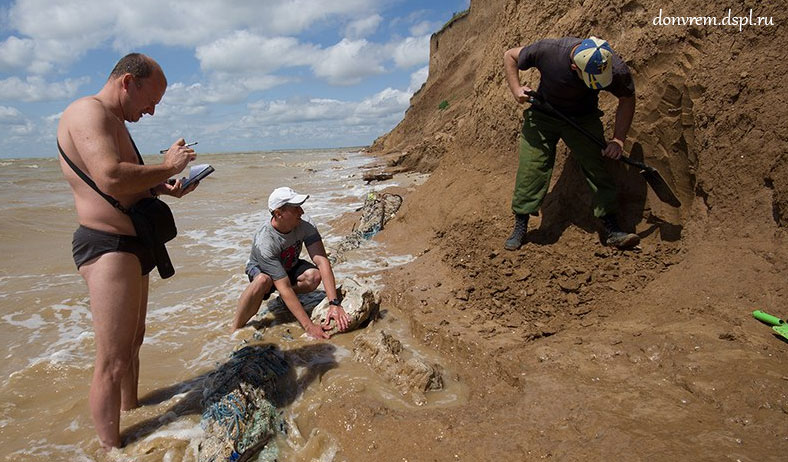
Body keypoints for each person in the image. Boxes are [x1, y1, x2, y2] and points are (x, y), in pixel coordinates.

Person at [56, 53, 197, 449]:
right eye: (150, 100)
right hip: (107, 245)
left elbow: (128, 187)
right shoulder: (87, 111)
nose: (151, 112)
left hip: (133, 242)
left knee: (134, 339)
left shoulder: (115, 120)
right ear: (128, 83)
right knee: (112, 360)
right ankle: (112, 451)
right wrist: (168, 166)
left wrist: (162, 187)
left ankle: (133, 413)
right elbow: (110, 176)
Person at [502, 36, 641, 250]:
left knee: (597, 167)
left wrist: (618, 140)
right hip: (543, 114)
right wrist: (516, 89)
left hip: (583, 118)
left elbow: (627, 98)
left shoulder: (614, 68)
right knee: (532, 168)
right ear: (574, 66)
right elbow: (510, 55)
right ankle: (520, 225)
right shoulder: (549, 51)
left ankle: (611, 227)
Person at [233, 187, 350, 338]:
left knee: (314, 276)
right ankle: (235, 328)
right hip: (263, 272)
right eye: (295, 208)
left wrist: (334, 304)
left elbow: (322, 261)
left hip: (289, 265)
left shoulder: (305, 224)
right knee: (263, 280)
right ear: (278, 213)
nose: (301, 211)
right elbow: (284, 287)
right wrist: (309, 327)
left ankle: (285, 301)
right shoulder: (265, 241)